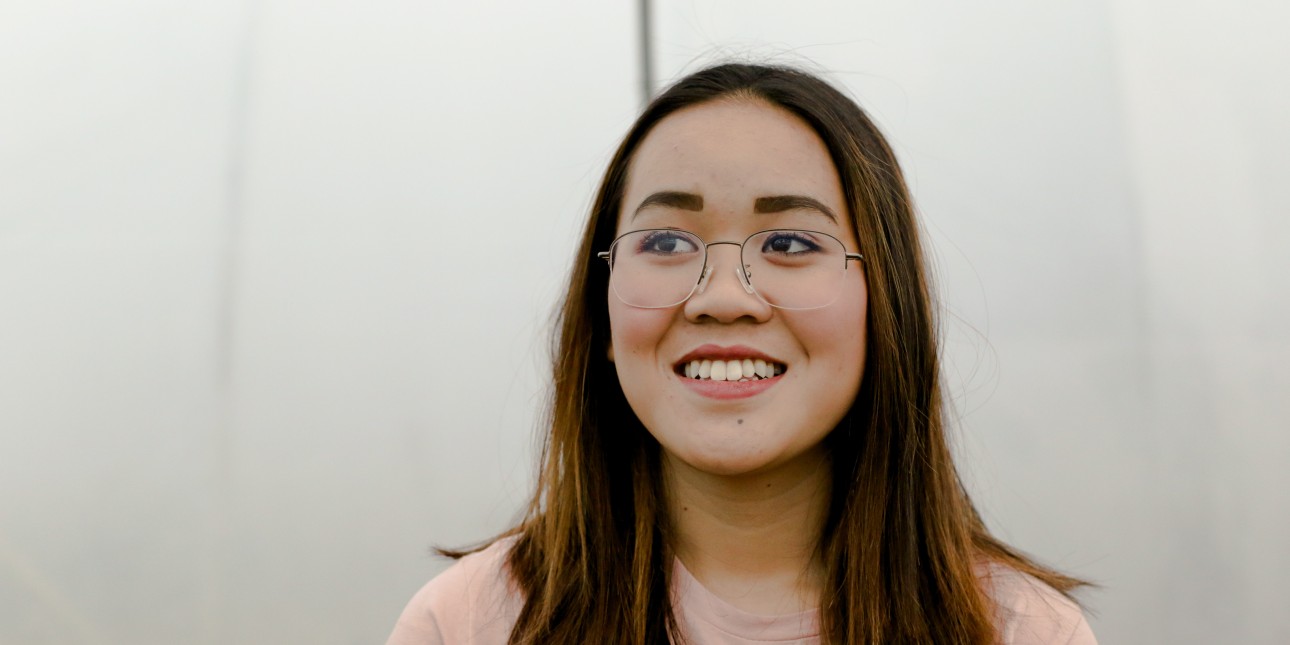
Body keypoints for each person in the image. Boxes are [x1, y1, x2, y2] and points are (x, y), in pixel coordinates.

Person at [387, 62, 1096, 644]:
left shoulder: (1017, 630)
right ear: (601, 310)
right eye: (665, 242)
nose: (724, 296)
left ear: (885, 307)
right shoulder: (471, 624)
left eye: (790, 243)